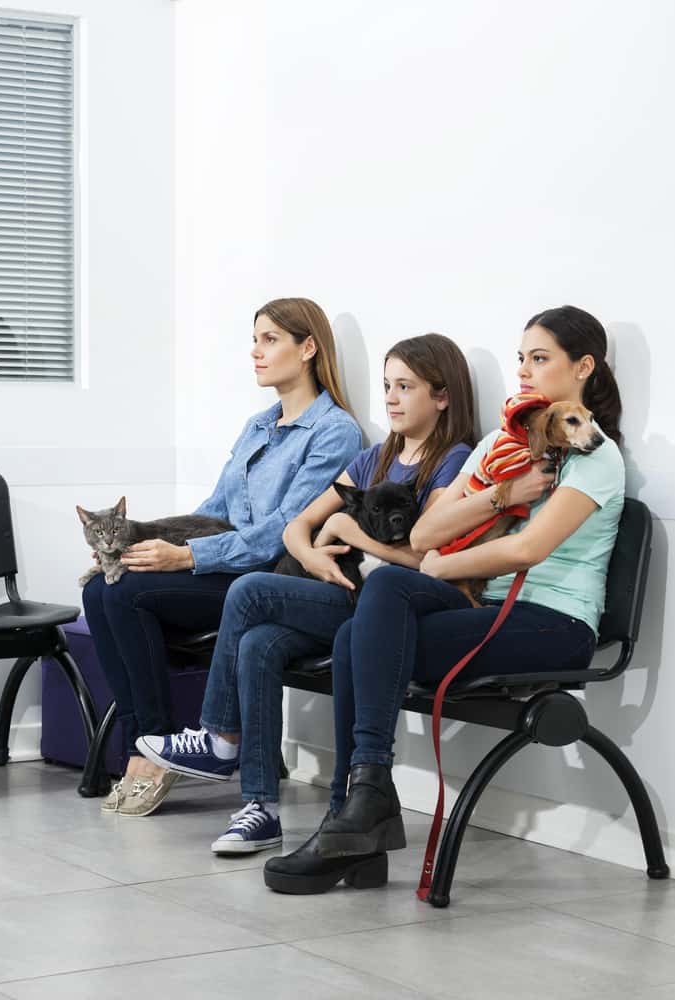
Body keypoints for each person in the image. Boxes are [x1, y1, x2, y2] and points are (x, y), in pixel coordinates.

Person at [263, 304, 625, 894]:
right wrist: (503, 491)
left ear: (584, 368)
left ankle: (354, 816)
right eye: (521, 359)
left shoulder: (594, 456)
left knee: (363, 631)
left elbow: (525, 550)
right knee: (375, 601)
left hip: (554, 621)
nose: (524, 372)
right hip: (488, 608)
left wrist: (440, 564)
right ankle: (361, 806)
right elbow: (425, 532)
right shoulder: (500, 446)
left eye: (540, 359)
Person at [137, 333, 476, 852]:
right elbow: (300, 523)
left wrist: (347, 530)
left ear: (442, 396)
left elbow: (427, 558)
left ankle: (219, 737)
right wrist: (315, 551)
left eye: (405, 387)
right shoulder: (374, 458)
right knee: (256, 644)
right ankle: (259, 808)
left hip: (379, 609)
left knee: (249, 591)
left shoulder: (452, 462)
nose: (390, 398)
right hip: (337, 589)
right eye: (387, 386)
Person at [83, 297, 362, 816]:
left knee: (124, 590)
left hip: (263, 578)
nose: (255, 352)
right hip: (222, 563)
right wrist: (144, 549)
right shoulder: (257, 426)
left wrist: (185, 558)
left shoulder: (335, 433)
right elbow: (212, 509)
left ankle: (151, 749)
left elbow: (282, 532)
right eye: (254, 339)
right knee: (102, 585)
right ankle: (145, 744)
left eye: (270, 340)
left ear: (308, 348)